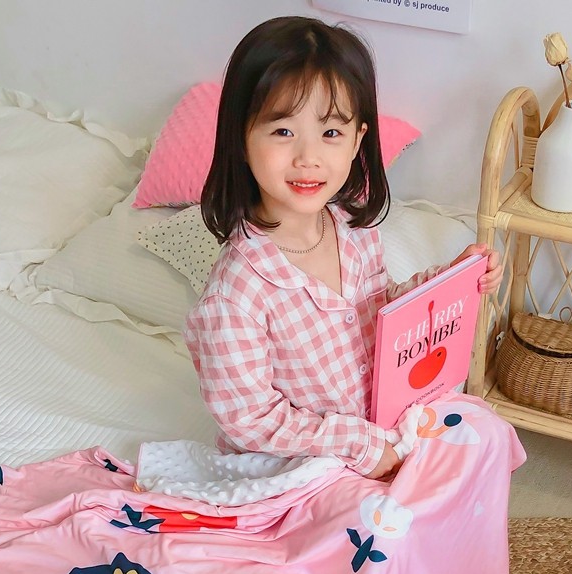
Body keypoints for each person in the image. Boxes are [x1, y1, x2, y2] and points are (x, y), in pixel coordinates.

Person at [186, 15, 501, 480]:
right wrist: (360, 446)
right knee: (384, 518)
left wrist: (452, 279)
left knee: (487, 435)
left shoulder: (353, 230)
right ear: (241, 138)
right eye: (283, 131)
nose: (308, 157)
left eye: (331, 133)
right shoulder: (235, 295)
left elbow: (383, 312)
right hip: (300, 460)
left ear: (358, 141)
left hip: (380, 423)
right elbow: (251, 419)